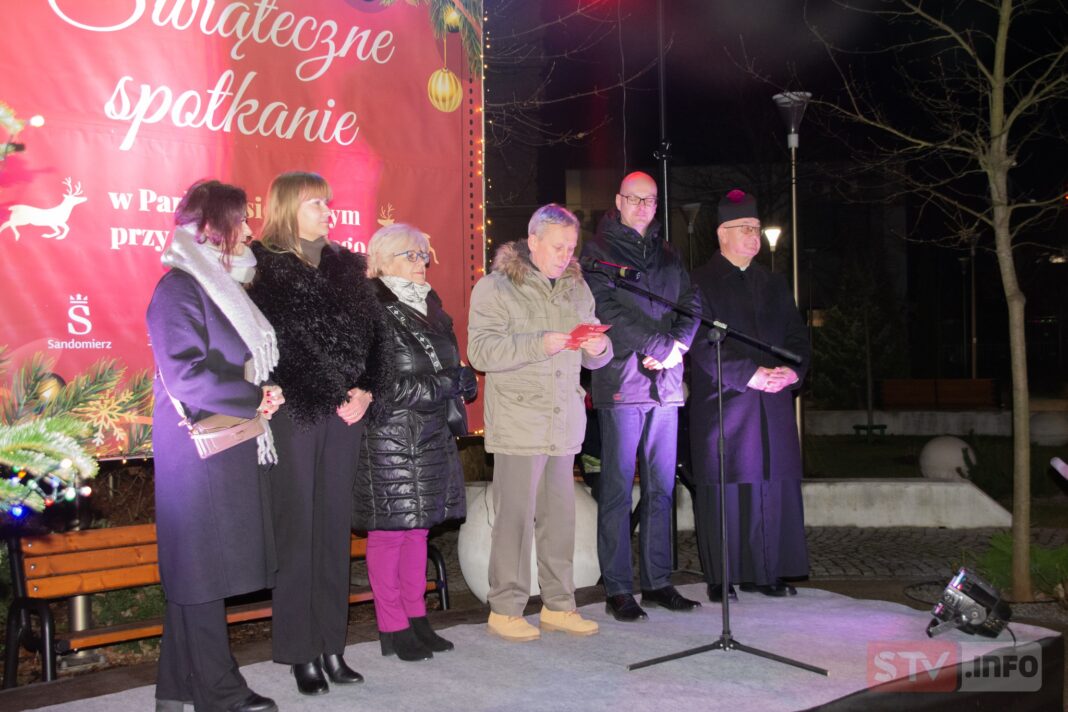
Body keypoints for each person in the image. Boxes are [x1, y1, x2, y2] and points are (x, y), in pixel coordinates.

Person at [247, 171, 394, 695]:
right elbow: (263, 343)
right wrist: (308, 386)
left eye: (327, 204)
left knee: (333, 533)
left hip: (345, 414)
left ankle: (333, 645)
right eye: (315, 204)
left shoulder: (347, 265)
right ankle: (299, 651)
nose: (327, 212)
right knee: (298, 533)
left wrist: (367, 390)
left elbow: (377, 338)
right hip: (294, 412)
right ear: (288, 207)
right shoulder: (260, 267)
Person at [147, 179, 282, 712]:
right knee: (201, 569)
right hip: (196, 451)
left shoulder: (221, 287)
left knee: (196, 572)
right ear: (209, 227)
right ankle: (218, 691)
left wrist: (258, 393)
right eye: (241, 219)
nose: (250, 229)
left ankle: (174, 689)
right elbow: (184, 374)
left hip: (224, 443)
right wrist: (254, 394)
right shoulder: (178, 288)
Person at [468, 203, 613, 642]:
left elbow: (600, 356)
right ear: (531, 242)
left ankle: (559, 605)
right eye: (556, 246)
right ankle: (506, 608)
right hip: (519, 421)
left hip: (563, 422)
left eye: (571, 247)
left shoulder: (577, 289)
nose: (565, 255)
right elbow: (481, 352)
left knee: (560, 519)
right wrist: (538, 344)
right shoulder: (495, 287)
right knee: (515, 518)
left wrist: (598, 348)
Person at [580, 171, 702, 622]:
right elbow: (604, 307)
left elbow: (692, 302)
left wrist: (678, 348)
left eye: (650, 200)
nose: (644, 207)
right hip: (623, 384)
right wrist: (658, 346)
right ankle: (617, 588)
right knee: (616, 489)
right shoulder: (599, 252)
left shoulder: (668, 252)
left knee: (661, 489)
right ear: (618, 200)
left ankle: (657, 582)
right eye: (635, 199)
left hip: (666, 388)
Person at [355, 223, 477, 661]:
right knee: (391, 532)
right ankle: (392, 627)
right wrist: (446, 383)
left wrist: (461, 382)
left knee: (419, 531)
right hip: (390, 437)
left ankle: (416, 617)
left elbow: (441, 369)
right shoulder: (369, 309)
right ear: (382, 261)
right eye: (410, 255)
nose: (421, 263)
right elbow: (381, 388)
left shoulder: (432, 307)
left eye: (424, 255)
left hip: (430, 434)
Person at [688, 189, 811, 603]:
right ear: (722, 234)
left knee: (771, 485)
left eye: (757, 228)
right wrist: (749, 374)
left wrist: (792, 371)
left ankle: (767, 572)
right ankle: (723, 577)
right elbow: (701, 344)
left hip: (772, 404)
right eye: (745, 228)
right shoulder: (699, 282)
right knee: (726, 489)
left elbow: (797, 336)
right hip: (726, 404)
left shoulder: (773, 283)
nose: (754, 236)